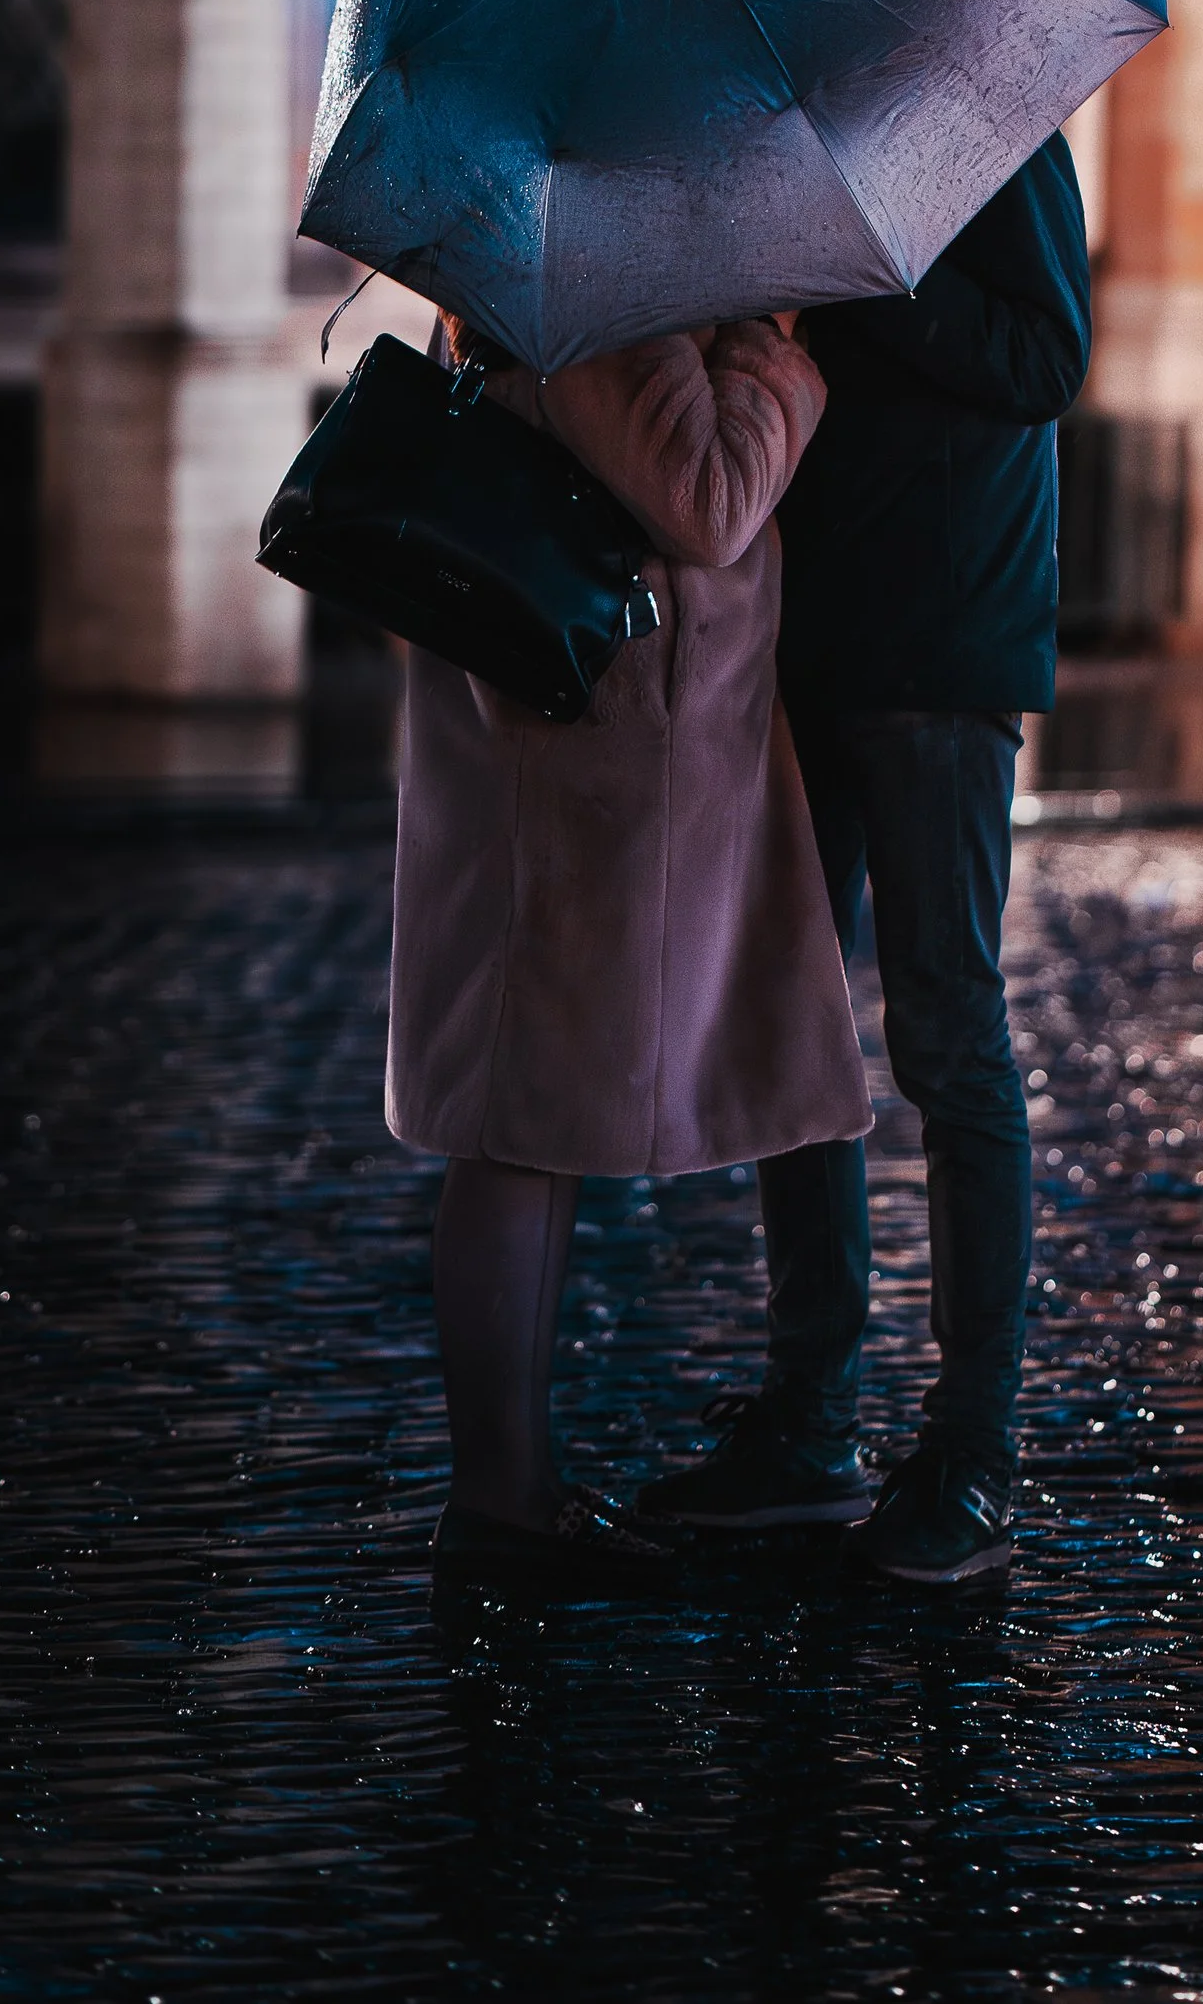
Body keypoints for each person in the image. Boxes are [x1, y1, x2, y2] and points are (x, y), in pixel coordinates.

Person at [638, 137, 1093, 1584]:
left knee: (949, 1037)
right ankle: (814, 1409)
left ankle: (973, 1448)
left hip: (947, 633)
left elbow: (1045, 353)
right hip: (809, 629)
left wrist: (866, 285)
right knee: (792, 1028)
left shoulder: (990, 132)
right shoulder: (792, 141)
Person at [391, 310, 872, 1592]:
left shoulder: (554, 283)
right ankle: (500, 1495)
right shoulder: (614, 306)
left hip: (569, 747)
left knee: (524, 1119)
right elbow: (708, 501)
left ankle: (515, 1488)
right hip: (588, 762)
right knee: (518, 1120)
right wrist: (772, 352)